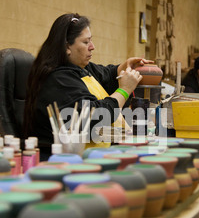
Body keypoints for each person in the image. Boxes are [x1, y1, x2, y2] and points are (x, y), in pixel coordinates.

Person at [23, 13, 152, 161]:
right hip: (63, 160)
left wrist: (123, 68)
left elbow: (106, 75)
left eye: (91, 40)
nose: (92, 47)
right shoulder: (58, 79)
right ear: (67, 47)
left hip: (90, 154)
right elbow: (96, 116)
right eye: (86, 42)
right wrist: (124, 90)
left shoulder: (81, 68)